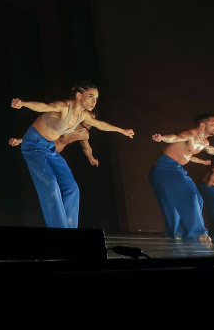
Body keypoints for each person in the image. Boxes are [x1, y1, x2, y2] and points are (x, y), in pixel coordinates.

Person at [10, 82, 134, 228]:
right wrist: (23, 104)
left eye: (96, 98)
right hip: (33, 145)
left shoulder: (83, 116)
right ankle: (59, 229)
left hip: (50, 148)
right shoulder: (63, 106)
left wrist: (122, 131)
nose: (94, 101)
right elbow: (43, 106)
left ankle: (70, 229)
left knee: (72, 187)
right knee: (50, 183)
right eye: (91, 96)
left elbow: (101, 125)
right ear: (78, 95)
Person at [149, 113, 214, 244]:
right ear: (202, 124)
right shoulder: (189, 134)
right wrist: (162, 137)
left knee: (198, 199)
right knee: (190, 196)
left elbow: (210, 150)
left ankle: (180, 232)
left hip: (178, 169)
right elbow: (174, 138)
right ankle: (197, 233)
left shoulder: (204, 142)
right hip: (166, 167)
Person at [9, 113, 100, 166]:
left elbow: (86, 148)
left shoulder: (84, 134)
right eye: (90, 118)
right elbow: (41, 133)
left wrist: (91, 158)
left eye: (93, 120)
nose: (91, 122)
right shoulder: (67, 123)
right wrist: (19, 140)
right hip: (45, 143)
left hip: (56, 151)